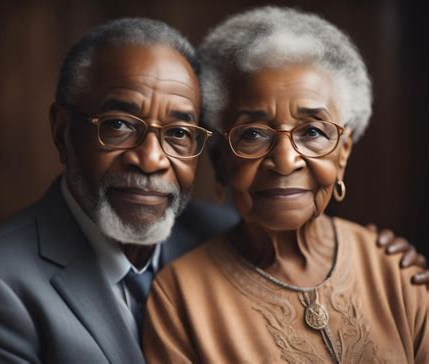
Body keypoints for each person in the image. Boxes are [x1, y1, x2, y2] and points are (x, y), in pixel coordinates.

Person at [0, 16, 425, 364]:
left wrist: (390, 264)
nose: (152, 159)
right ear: (62, 132)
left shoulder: (229, 233)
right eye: (119, 125)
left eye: (179, 133)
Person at [143, 7, 429, 363]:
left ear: (342, 153)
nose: (284, 160)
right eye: (253, 134)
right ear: (219, 162)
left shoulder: (396, 273)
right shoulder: (180, 299)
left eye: (312, 132)